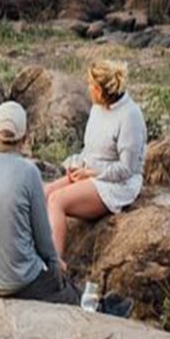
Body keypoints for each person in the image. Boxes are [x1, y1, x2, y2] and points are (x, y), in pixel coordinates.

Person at [0, 101, 132, 318]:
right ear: (24, 136)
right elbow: (43, 241)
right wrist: (55, 270)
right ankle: (100, 308)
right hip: (23, 284)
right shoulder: (28, 172)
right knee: (71, 292)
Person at [44, 59, 147, 261]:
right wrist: (76, 163)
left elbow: (127, 169)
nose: (88, 88)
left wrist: (91, 173)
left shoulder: (129, 116)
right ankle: (33, 255)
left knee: (57, 201)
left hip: (117, 183)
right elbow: (90, 150)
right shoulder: (98, 107)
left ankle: (55, 265)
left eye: (91, 85)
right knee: (44, 192)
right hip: (91, 172)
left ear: (100, 90)